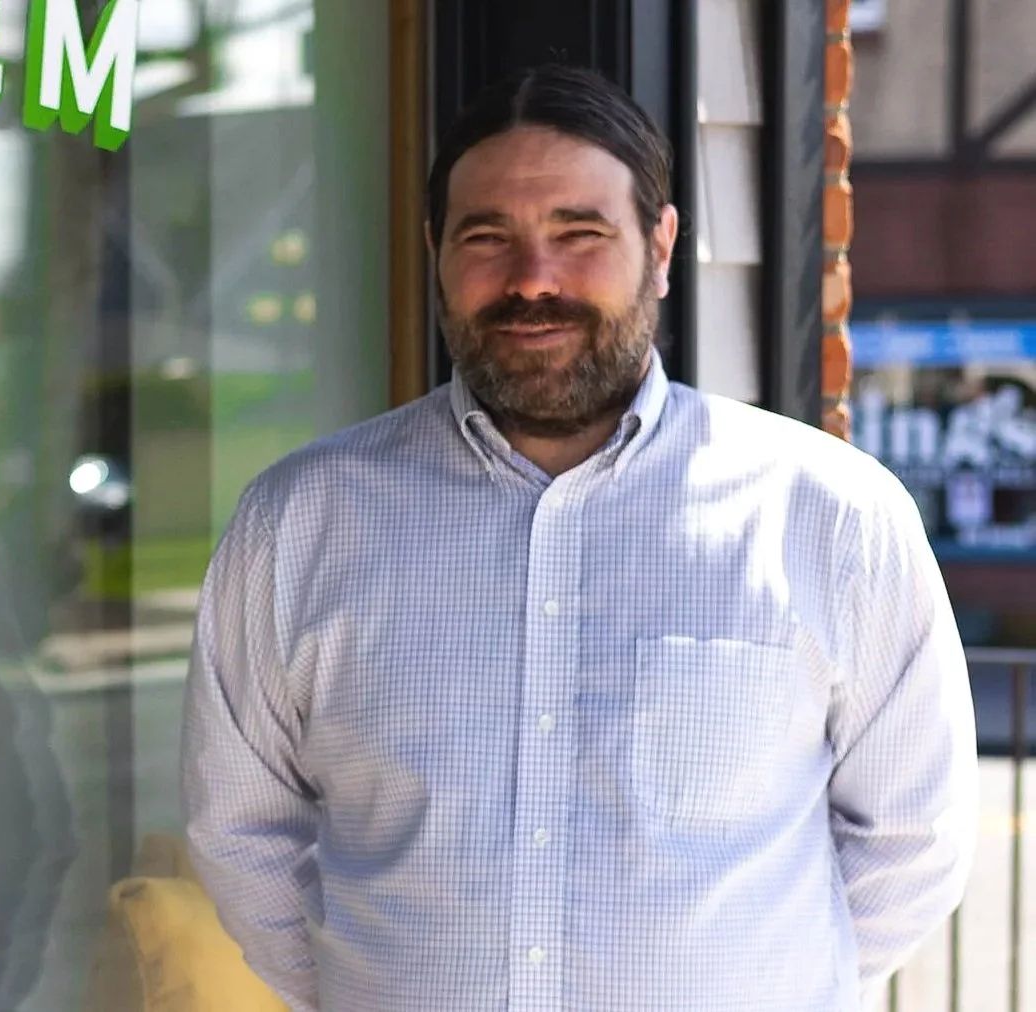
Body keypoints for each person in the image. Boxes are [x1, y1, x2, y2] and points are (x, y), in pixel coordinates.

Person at [180, 63, 979, 1011]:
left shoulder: (832, 519)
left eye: (580, 233)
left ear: (663, 245)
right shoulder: (298, 524)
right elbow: (242, 832)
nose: (532, 279)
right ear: (436, 249)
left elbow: (911, 845)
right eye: (488, 237)